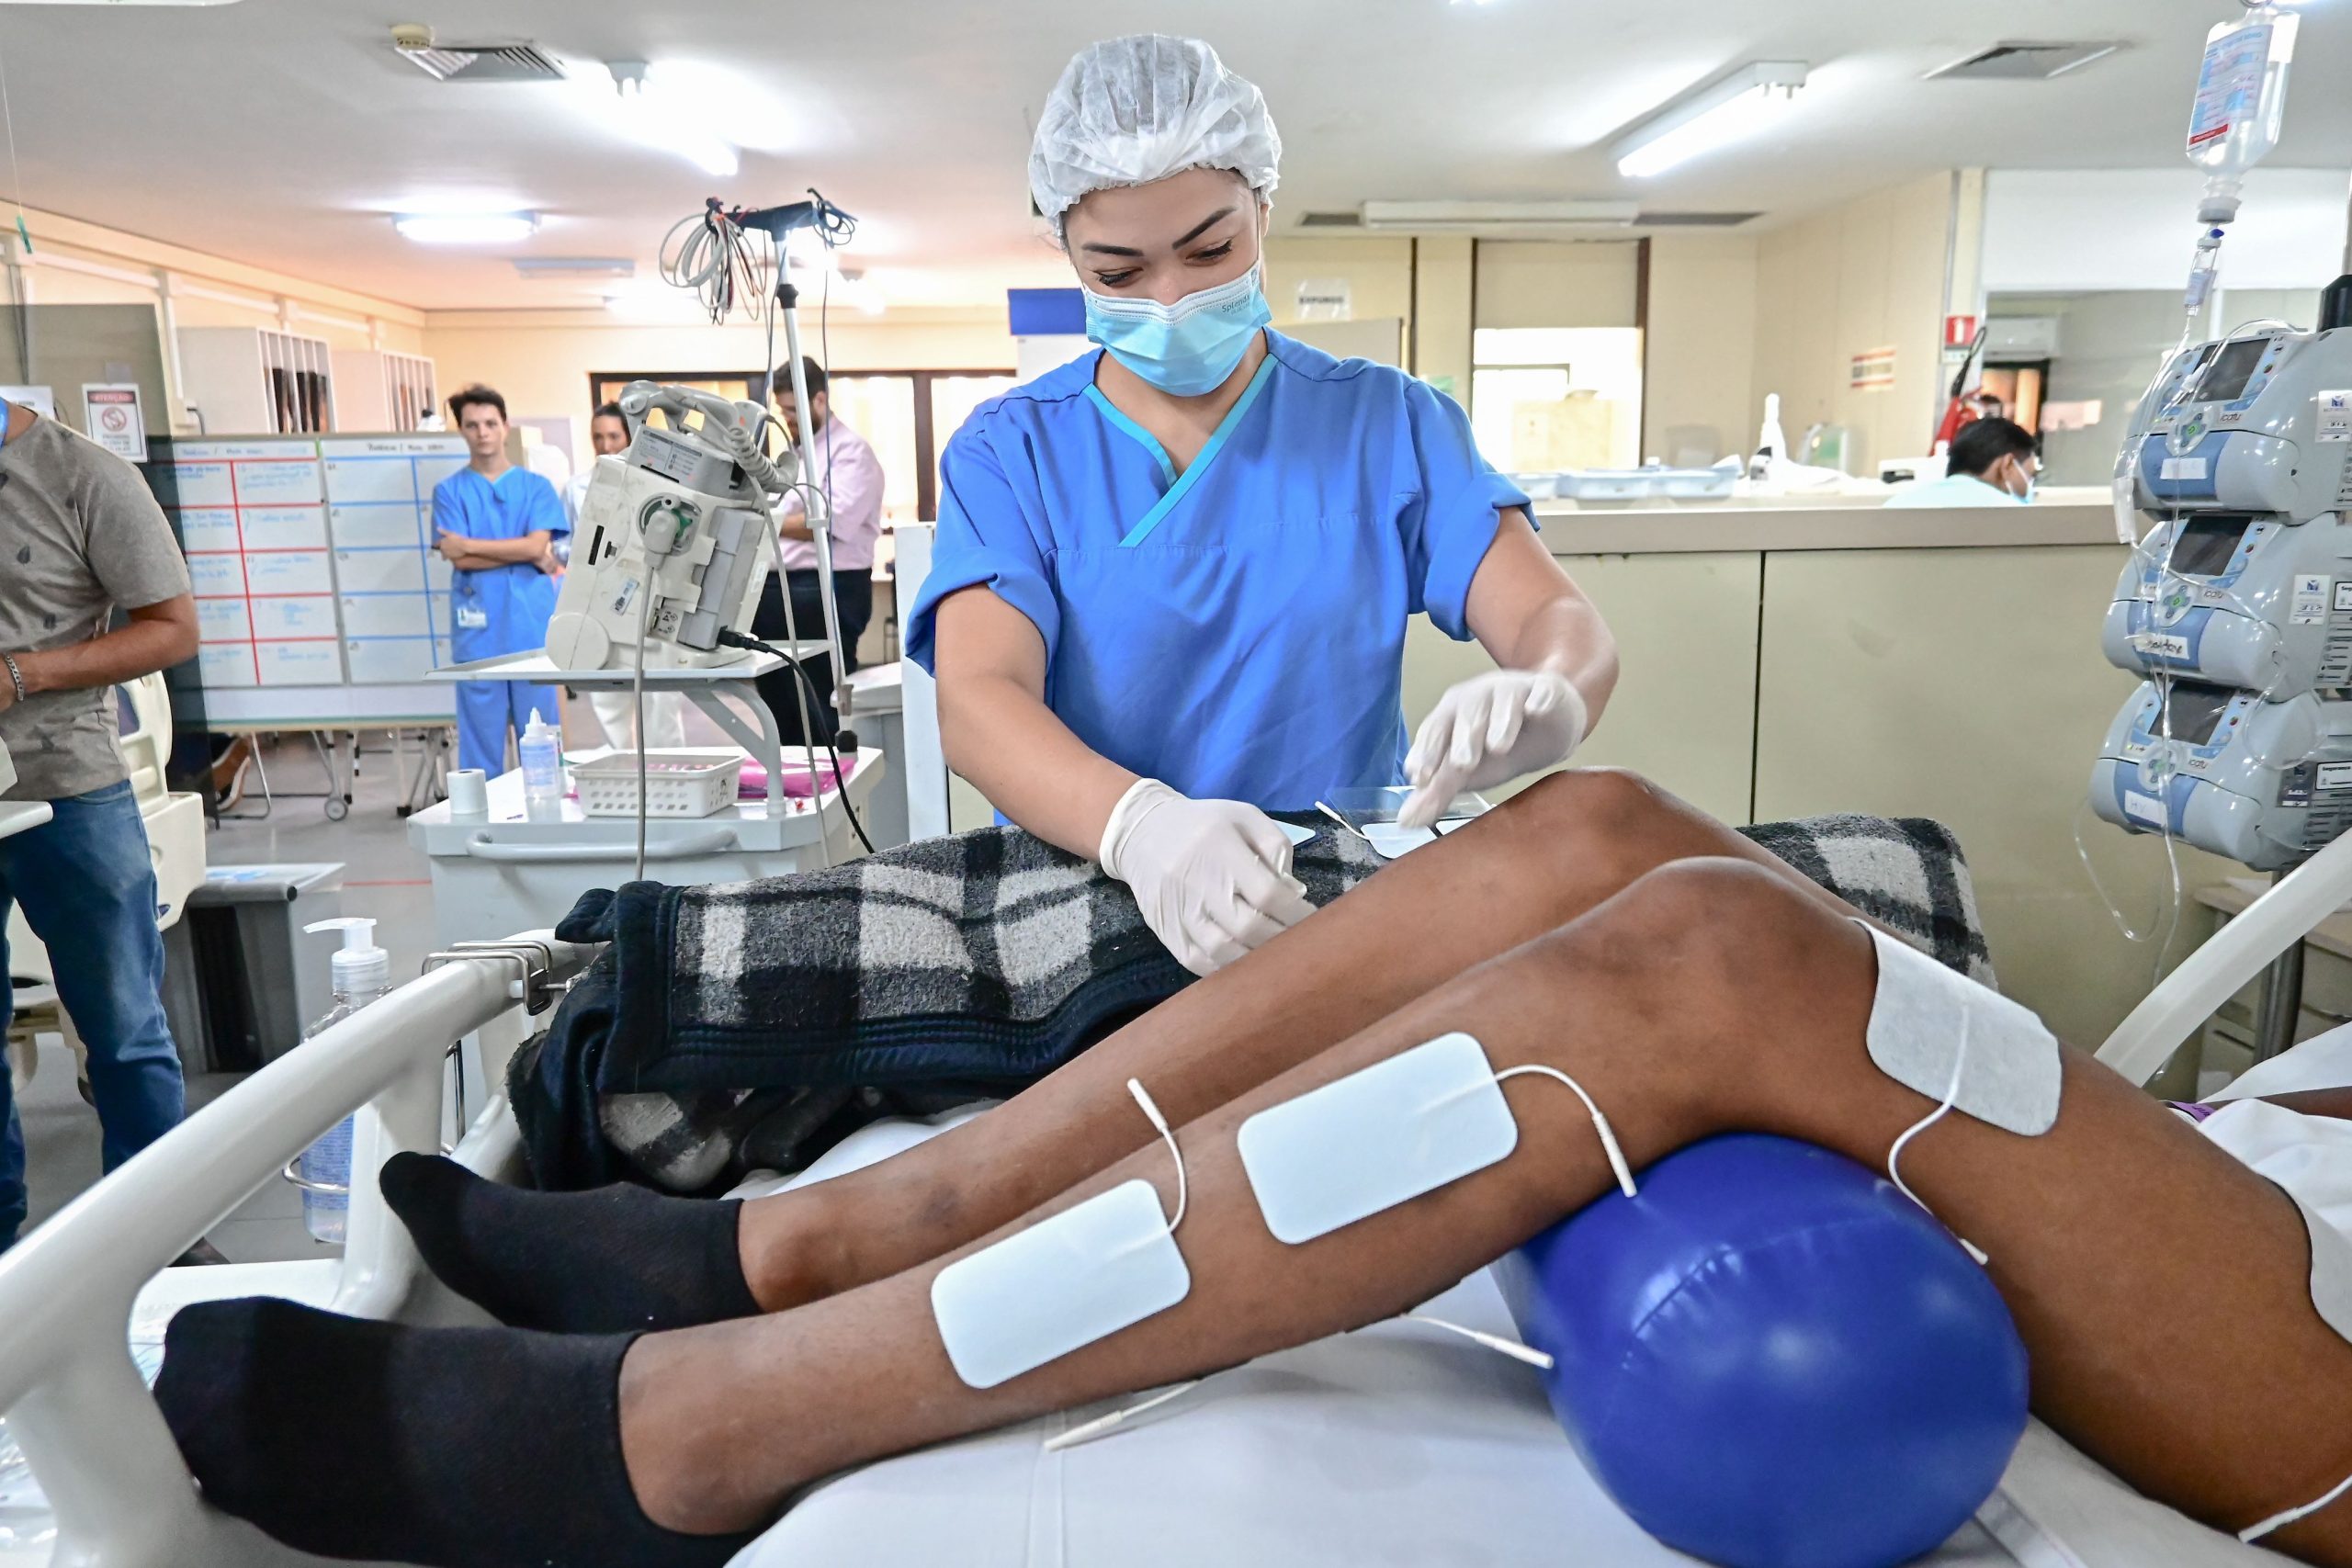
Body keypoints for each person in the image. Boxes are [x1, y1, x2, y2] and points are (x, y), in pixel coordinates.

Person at [157, 771, 2352, 1566]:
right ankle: (814, 1226)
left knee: (1711, 953)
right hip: (2266, 1165)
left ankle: (704, 1420)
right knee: (1590, 833)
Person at [905, 37, 1618, 976]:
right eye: (1118, 273)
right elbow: (979, 699)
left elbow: (1551, 615)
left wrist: (1551, 690)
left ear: (1262, 208)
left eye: (1210, 249)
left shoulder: (1386, 422)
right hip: (1094, 899)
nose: (1171, 298)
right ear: (1064, 249)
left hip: (1336, 897)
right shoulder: (1012, 452)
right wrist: (1139, 828)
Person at [0, 395, 198, 1250]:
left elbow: (173, 628)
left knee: (121, 1026)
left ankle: (153, 1238)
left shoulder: (83, 476)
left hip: (67, 790)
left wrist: (25, 674)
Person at [432, 386, 570, 773]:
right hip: (478, 633)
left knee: (541, 737)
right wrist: (524, 550)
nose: (482, 433)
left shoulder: (535, 488)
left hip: (530, 628)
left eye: (491, 423)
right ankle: (484, 820)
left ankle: (547, 819)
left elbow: (532, 547)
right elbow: (522, 551)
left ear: (505, 427)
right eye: (472, 425)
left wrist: (470, 548)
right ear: (462, 431)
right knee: (479, 737)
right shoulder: (449, 492)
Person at [754, 357, 885, 748]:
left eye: (794, 411)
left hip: (826, 587)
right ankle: (792, 785)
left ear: (820, 399)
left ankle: (834, 787)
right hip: (777, 590)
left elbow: (828, 521)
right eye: (782, 411)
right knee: (778, 699)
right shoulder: (792, 458)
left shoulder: (851, 453)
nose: (788, 420)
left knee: (821, 700)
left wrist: (770, 522)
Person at [567, 401, 687, 751]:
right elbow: (568, 547)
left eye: (614, 436)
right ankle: (620, 770)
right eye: (598, 437)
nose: (606, 445)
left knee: (661, 703)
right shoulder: (577, 488)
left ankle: (670, 775)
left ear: (631, 436)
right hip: (599, 602)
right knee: (608, 698)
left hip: (650, 598)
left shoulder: (661, 486)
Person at [1884, 417, 2040, 509]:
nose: (2030, 487)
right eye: (2030, 476)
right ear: (2007, 465)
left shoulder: (1895, 506)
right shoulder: (2017, 517)